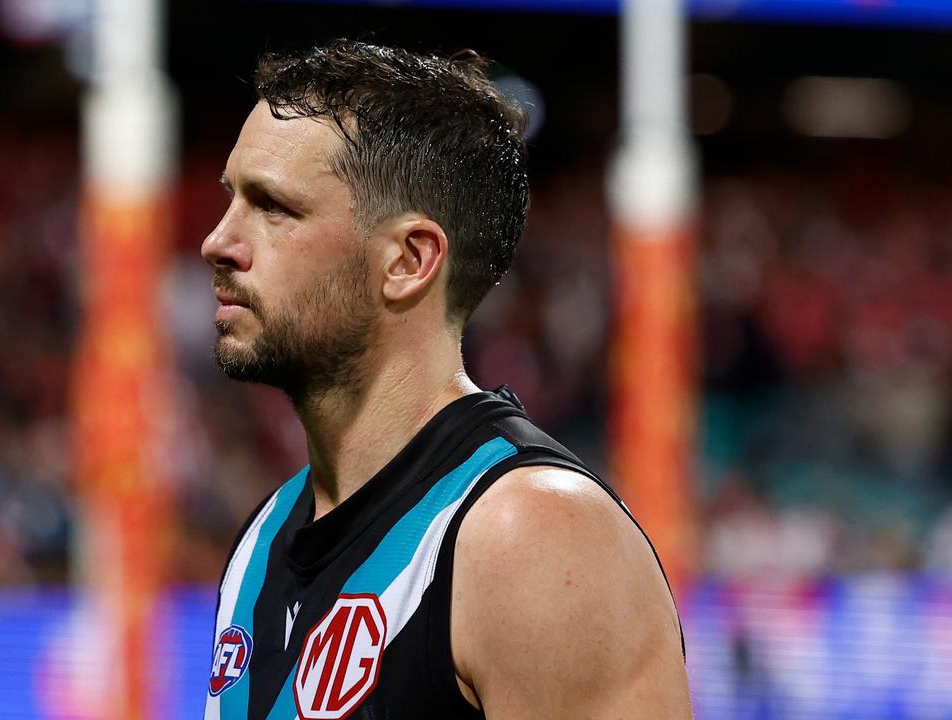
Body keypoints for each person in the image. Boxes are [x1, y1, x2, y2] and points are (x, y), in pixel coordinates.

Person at [202, 40, 691, 720]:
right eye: (231, 199)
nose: (218, 242)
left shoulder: (533, 539)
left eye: (274, 208)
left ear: (408, 259)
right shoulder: (265, 536)